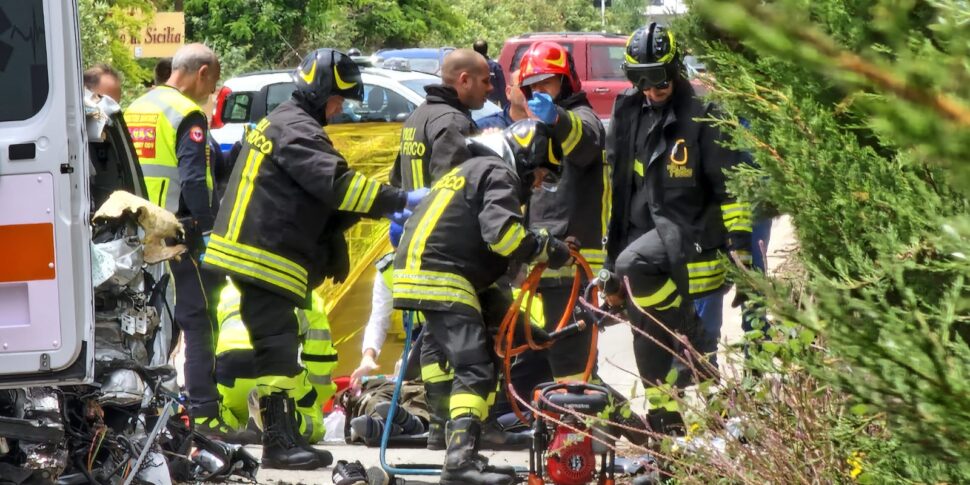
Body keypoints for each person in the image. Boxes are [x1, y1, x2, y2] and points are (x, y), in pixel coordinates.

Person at [203, 48, 427, 470]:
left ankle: (282, 440)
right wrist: (398, 200)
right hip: (263, 258)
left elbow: (320, 198)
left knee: (279, 345)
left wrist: (371, 210)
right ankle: (279, 443)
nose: (340, 109)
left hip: (255, 255)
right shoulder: (297, 130)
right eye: (338, 100)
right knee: (278, 349)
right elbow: (336, 185)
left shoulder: (285, 123)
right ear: (322, 91)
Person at [394, 120, 574, 485]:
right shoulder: (499, 172)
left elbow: (491, 267)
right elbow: (503, 236)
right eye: (539, 175)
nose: (538, 185)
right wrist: (548, 249)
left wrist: (528, 330)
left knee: (491, 347)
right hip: (443, 272)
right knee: (474, 366)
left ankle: (468, 434)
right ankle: (459, 461)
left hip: (435, 268)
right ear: (526, 158)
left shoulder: (469, 169)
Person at [602, 23, 752, 435]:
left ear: (677, 69)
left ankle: (720, 409)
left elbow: (732, 186)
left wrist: (740, 248)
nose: (651, 87)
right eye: (640, 79)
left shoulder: (704, 114)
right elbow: (615, 189)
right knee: (647, 335)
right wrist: (608, 260)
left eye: (660, 77)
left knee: (693, 342)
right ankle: (665, 419)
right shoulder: (627, 111)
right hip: (641, 243)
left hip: (691, 241)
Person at [123, 44, 235, 439]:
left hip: (134, 236)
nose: (212, 90)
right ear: (202, 72)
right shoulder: (188, 114)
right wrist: (204, 232)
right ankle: (204, 416)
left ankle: (152, 414)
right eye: (214, 81)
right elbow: (192, 180)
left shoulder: (137, 106)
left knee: (148, 327)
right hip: (178, 235)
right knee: (199, 321)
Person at [388, 47, 492, 449]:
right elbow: (457, 188)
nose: (489, 89)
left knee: (433, 338)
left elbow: (399, 181)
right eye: (484, 80)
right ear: (463, 80)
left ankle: (437, 427)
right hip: (450, 250)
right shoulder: (453, 122)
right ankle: (469, 430)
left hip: (414, 246)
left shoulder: (416, 117)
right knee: (476, 339)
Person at [517, 41, 609, 383]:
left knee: (573, 356)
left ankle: (588, 430)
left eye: (547, 83)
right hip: (542, 259)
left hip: (571, 261)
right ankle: (582, 424)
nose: (538, 91)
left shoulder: (582, 119)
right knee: (549, 355)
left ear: (566, 82)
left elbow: (584, 146)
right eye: (532, 87)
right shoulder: (537, 125)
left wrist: (557, 118)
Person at [214, 280, 336, 444]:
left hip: (229, 378)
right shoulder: (307, 295)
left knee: (228, 414)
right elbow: (319, 361)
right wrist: (315, 401)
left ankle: (242, 426)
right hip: (274, 374)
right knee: (314, 424)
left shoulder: (228, 290)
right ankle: (271, 421)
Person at [473, 39, 507, 108]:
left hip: (476, 102)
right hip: (493, 102)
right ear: (487, 50)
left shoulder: (470, 67)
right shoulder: (495, 66)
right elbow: (502, 86)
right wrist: (504, 105)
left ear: (474, 51)